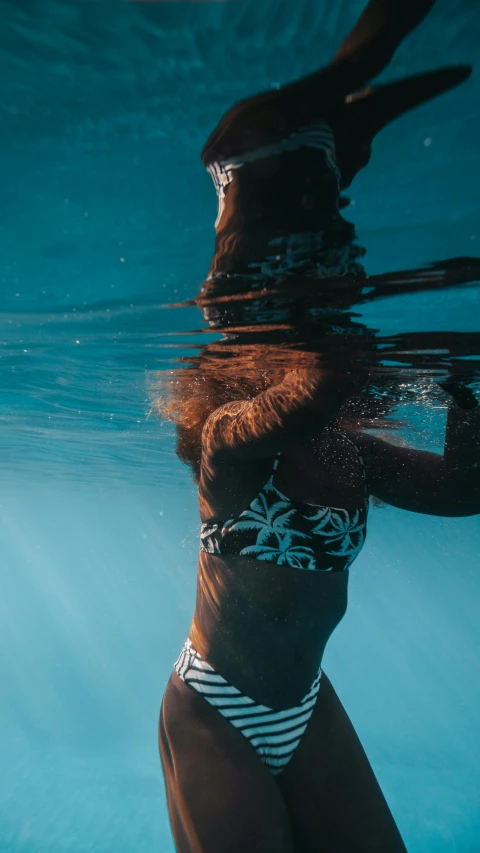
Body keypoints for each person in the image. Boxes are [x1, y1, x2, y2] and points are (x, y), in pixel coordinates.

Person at [157, 2, 478, 850]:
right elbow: (313, 389)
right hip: (214, 711)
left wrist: (462, 389)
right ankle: (306, 139)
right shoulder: (229, 451)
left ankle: (303, 149)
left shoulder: (349, 452)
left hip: (304, 707)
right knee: (285, 169)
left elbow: (465, 488)